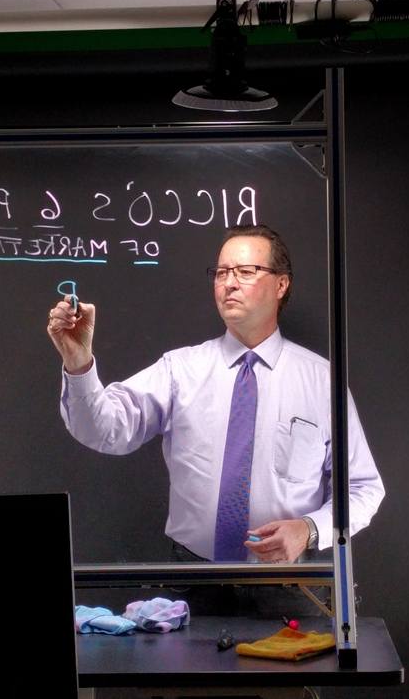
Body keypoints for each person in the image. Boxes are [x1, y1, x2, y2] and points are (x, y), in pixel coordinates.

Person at [47, 224, 384, 566]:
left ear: (281, 284)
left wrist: (310, 529)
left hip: (290, 583)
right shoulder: (180, 370)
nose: (229, 283)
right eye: (221, 273)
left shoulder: (321, 381)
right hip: (194, 579)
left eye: (246, 271)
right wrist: (79, 364)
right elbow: (104, 431)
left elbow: (363, 488)